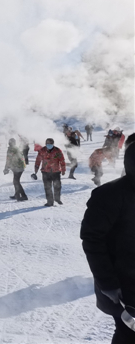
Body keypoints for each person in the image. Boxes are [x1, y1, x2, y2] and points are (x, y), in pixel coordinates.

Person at [81, 136, 135, 343]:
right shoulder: (109, 195)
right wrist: (107, 282)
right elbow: (92, 239)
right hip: (123, 288)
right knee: (127, 334)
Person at [34, 138, 66, 206]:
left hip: (56, 171)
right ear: (45, 144)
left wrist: (63, 169)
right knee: (47, 187)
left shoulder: (57, 150)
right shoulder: (42, 150)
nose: (49, 145)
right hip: (45, 171)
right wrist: (36, 168)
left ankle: (57, 198)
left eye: (50, 144)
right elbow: (38, 160)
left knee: (57, 186)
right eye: (48, 143)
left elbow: (62, 160)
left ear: (53, 144)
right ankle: (50, 201)